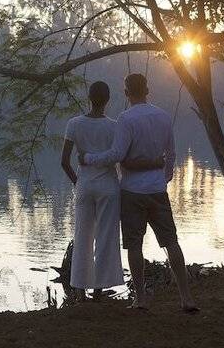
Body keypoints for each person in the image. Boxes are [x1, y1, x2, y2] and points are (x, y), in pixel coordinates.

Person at [79, 73, 198, 312]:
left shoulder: (125, 118)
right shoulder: (163, 116)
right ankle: (186, 298)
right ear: (147, 89)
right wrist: (162, 177)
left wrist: (88, 158)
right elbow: (172, 154)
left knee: (134, 245)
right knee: (171, 241)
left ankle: (141, 298)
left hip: (132, 191)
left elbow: (117, 155)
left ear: (126, 93)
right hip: (157, 190)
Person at [60, 81, 165, 301]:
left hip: (85, 186)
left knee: (82, 236)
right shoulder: (115, 126)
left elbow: (65, 162)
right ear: (108, 100)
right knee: (106, 237)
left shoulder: (74, 124)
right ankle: (99, 289)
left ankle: (79, 290)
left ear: (88, 98)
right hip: (108, 186)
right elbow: (121, 158)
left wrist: (77, 182)